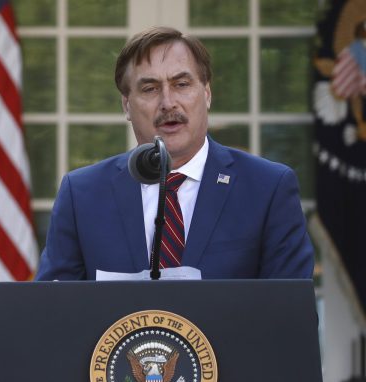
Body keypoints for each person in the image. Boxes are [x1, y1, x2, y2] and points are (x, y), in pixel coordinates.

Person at [36, 26, 313, 281]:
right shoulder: (81, 195)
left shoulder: (268, 188)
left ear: (207, 93)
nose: (168, 103)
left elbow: (289, 311)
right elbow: (52, 310)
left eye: (181, 84)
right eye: (150, 89)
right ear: (126, 105)